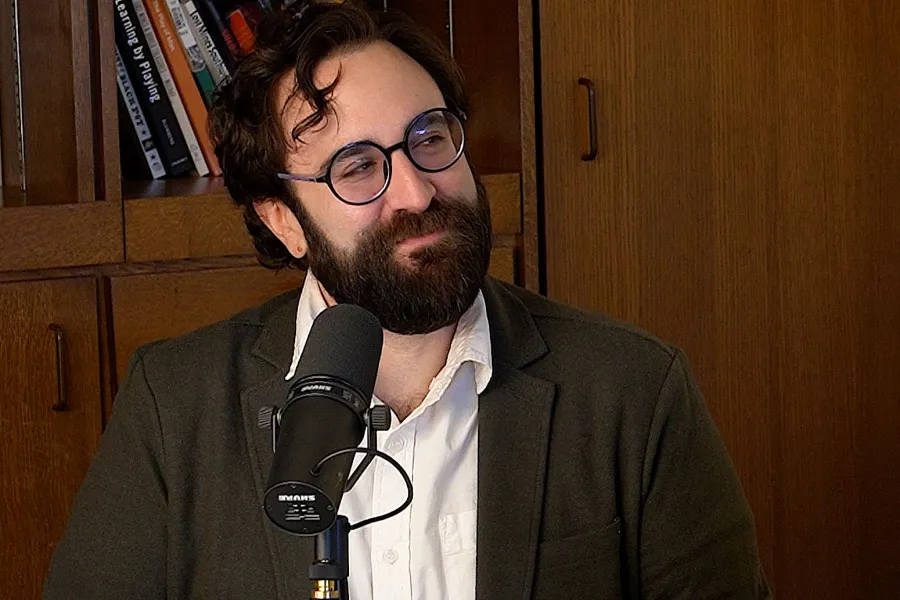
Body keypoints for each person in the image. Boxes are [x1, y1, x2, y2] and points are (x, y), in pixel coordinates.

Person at [44, 2, 772, 599]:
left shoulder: (633, 392)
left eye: (430, 138)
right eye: (358, 167)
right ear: (282, 221)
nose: (419, 191)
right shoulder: (175, 406)